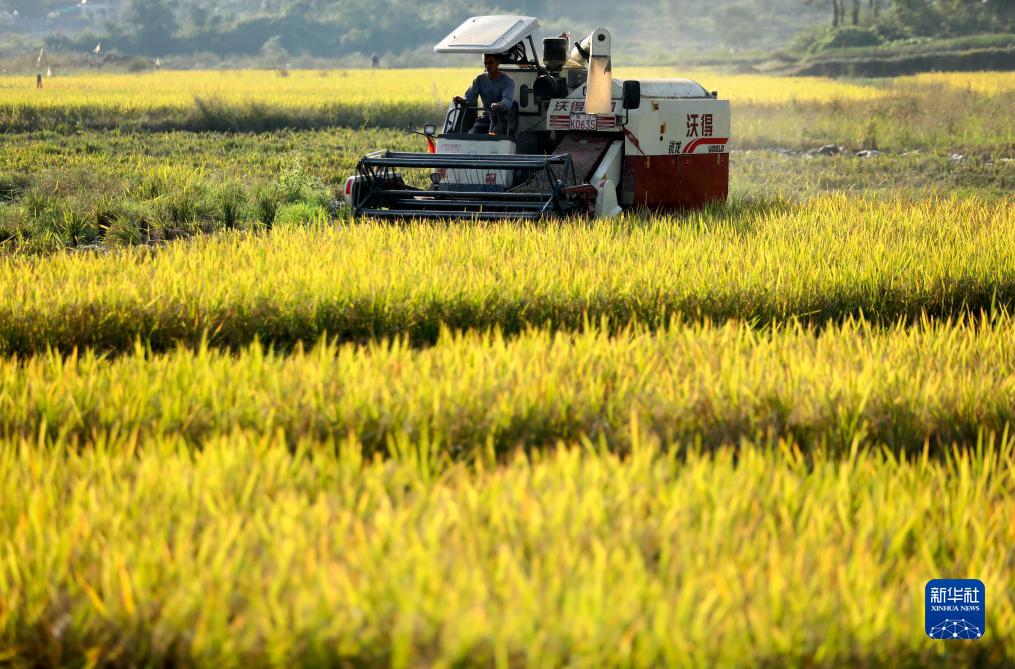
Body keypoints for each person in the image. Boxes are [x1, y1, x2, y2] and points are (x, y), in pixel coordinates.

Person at [453, 53, 514, 135]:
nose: (488, 66)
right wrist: (462, 101)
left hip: (501, 119)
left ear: (498, 62)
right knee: (471, 136)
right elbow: (470, 98)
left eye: (491, 62)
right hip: (485, 118)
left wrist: (499, 105)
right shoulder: (479, 80)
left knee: (494, 138)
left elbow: (507, 100)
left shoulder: (508, 81)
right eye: (485, 63)